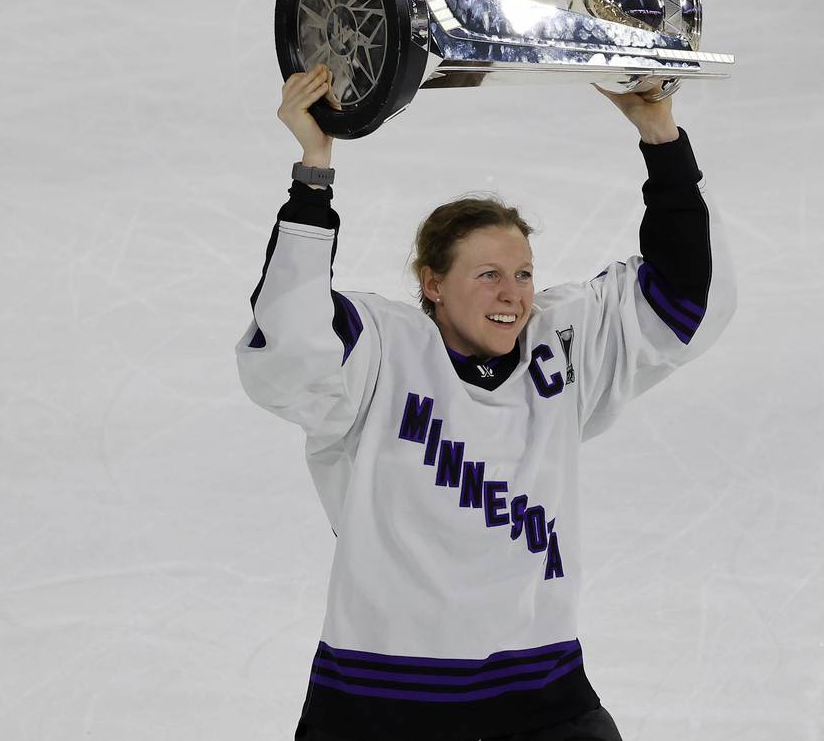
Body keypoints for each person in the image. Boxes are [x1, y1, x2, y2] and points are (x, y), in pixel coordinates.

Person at [238, 63, 737, 741]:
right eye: (489, 275)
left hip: (541, 696)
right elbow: (290, 340)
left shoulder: (559, 349)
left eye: (525, 273)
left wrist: (660, 134)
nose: (514, 294)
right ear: (433, 284)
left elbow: (688, 299)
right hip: (379, 698)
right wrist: (314, 172)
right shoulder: (381, 353)